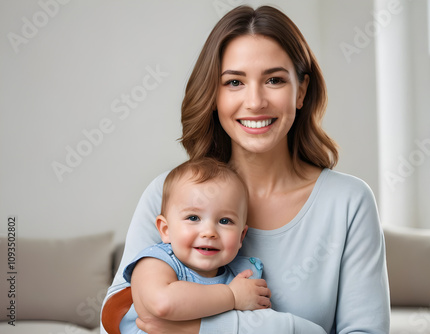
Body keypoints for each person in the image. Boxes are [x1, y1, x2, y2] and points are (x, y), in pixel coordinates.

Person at [102, 5, 390, 334]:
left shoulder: (349, 203)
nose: (255, 102)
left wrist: (195, 328)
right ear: (213, 94)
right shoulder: (167, 193)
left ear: (302, 91)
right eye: (234, 82)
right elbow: (119, 321)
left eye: (274, 80)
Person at [118, 158, 271, 333]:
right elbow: (163, 303)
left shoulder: (243, 277)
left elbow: (258, 326)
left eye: (224, 221)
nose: (209, 232)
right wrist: (232, 296)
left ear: (241, 236)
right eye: (193, 218)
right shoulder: (156, 262)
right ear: (166, 229)